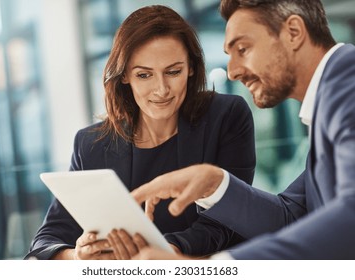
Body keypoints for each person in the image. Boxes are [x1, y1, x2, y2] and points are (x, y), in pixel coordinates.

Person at [120, 0, 355, 260]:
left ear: (293, 33)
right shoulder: (332, 99)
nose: (232, 72)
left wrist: (217, 268)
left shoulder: (348, 87)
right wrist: (214, 184)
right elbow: (291, 217)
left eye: (243, 49)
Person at [24, 5, 256, 260]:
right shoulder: (90, 144)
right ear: (124, 76)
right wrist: (80, 256)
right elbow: (45, 241)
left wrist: (162, 254)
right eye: (144, 75)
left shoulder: (227, 116)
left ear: (191, 67)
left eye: (173, 72)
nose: (161, 89)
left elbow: (228, 221)